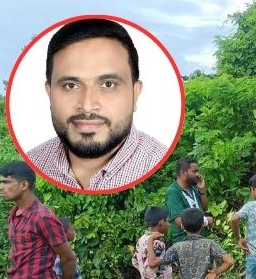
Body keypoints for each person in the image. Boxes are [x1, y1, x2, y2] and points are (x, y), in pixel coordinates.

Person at [26, 18, 167, 191]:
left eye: (108, 84)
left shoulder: (160, 165)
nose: (87, 106)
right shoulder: (34, 161)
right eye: (71, 86)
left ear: (135, 93)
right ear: (49, 93)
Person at [165, 157, 212, 243]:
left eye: (198, 171)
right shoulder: (173, 192)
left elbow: (204, 208)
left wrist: (202, 190)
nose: (198, 174)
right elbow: (179, 221)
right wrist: (205, 221)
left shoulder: (193, 188)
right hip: (184, 241)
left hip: (201, 238)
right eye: (194, 171)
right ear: (183, 172)